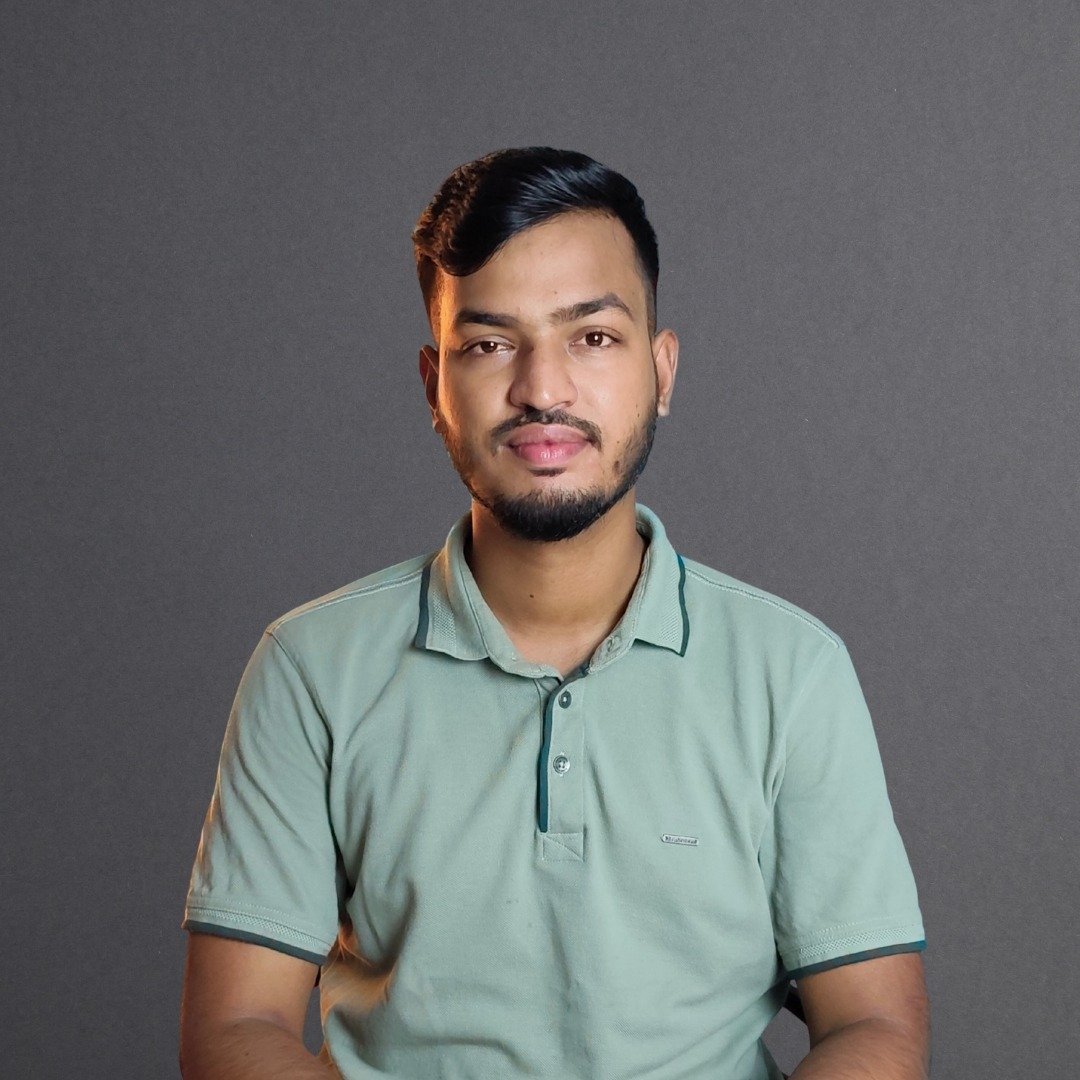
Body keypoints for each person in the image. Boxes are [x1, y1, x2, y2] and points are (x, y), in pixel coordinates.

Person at [178, 147, 930, 1080]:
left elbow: (875, 1026)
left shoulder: (792, 671)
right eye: (489, 344)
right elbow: (236, 1028)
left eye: (593, 337)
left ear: (662, 370)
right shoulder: (311, 667)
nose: (542, 388)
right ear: (433, 387)